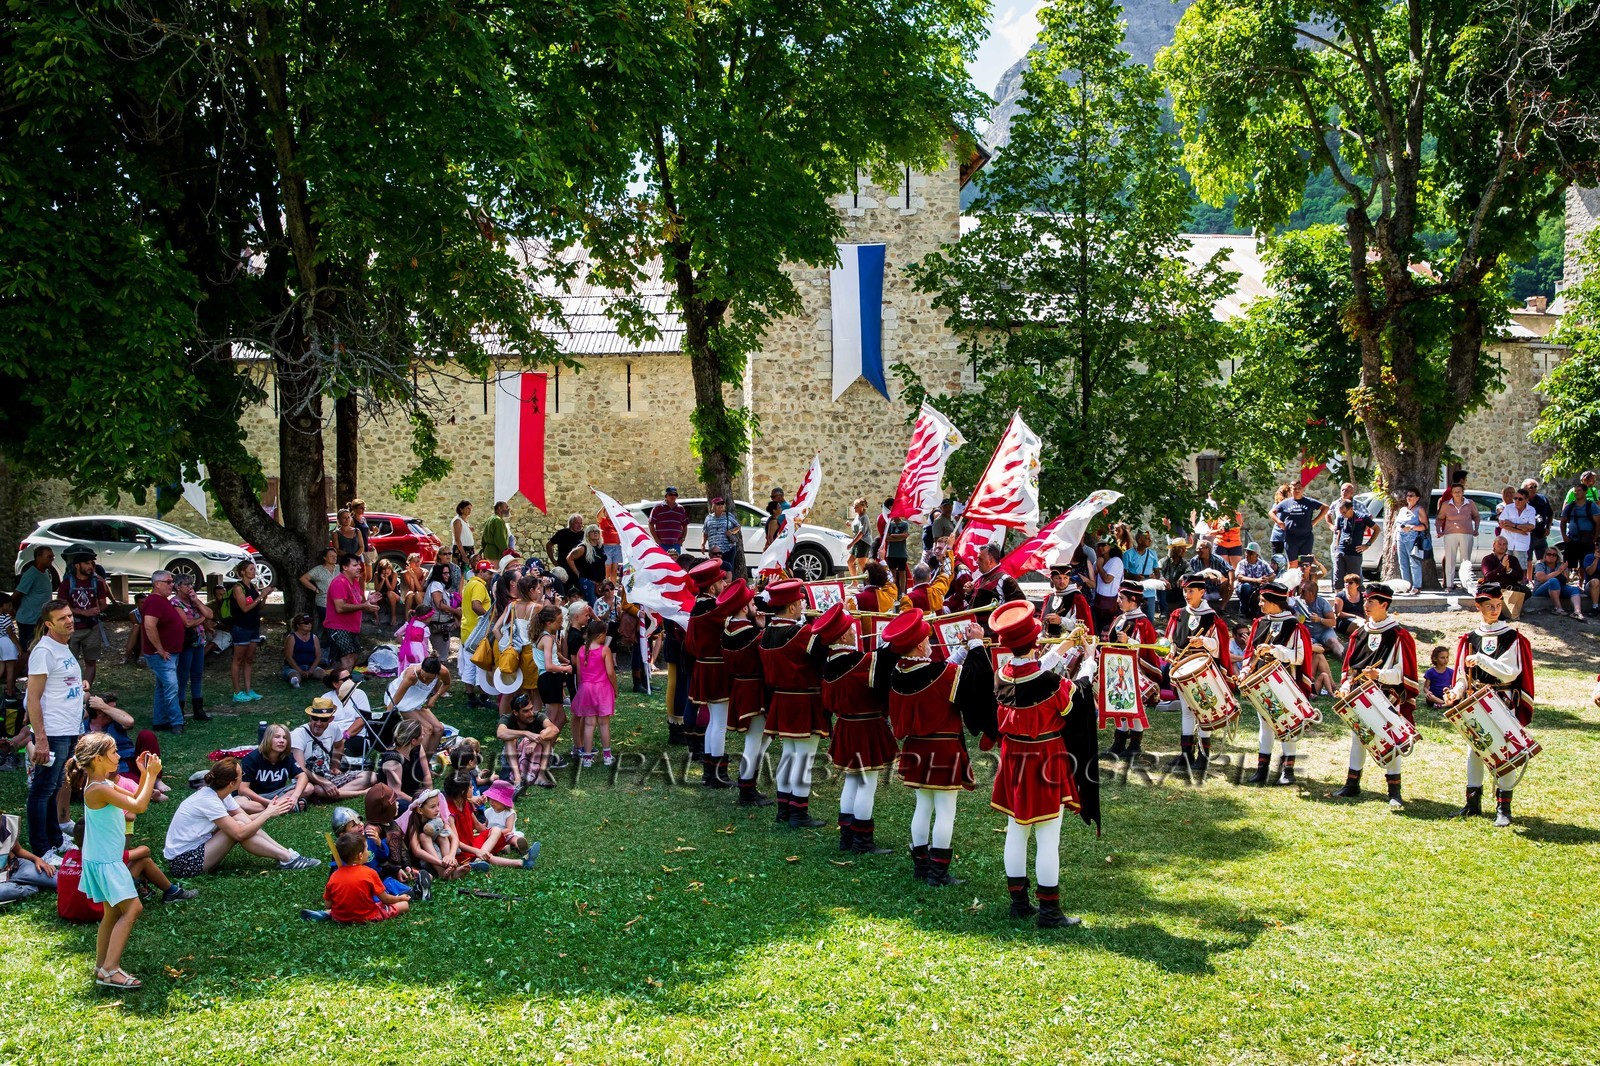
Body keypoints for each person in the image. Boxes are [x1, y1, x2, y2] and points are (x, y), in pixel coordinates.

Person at [985, 600, 1099, 928]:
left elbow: (1032, 671)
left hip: (1012, 760)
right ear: (1035, 642)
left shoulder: (1001, 676)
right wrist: (1088, 661)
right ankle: (1049, 911)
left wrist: (1064, 645)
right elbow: (1076, 694)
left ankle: (1019, 903)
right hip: (1045, 761)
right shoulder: (1049, 684)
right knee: (1048, 837)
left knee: (1016, 831)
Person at [880, 606, 989, 887]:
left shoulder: (897, 672)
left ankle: (921, 866)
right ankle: (938, 873)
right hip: (943, 750)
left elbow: (937, 672)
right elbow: (975, 678)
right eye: (927, 639)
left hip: (916, 749)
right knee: (945, 810)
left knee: (923, 806)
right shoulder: (941, 673)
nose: (931, 642)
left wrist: (963, 651)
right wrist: (976, 644)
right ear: (919, 644)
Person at [69, 733, 160, 988]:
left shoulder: (103, 785)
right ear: (98, 759)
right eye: (114, 753)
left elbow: (135, 801)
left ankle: (101, 966)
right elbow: (139, 808)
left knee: (112, 912)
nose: (119, 756)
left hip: (102, 858)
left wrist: (143, 774)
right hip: (106, 861)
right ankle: (110, 969)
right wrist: (153, 775)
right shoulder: (97, 789)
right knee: (133, 908)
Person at [1447, 583, 1535, 826]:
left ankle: (1503, 809)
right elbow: (1463, 676)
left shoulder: (1512, 637)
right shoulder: (1469, 637)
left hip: (1502, 701)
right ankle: (1472, 804)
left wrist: (1482, 659)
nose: (1495, 610)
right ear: (1479, 607)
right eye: (1489, 606)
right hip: (1475, 702)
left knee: (1504, 752)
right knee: (1475, 750)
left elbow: (1510, 673)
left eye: (1498, 605)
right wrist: (1456, 692)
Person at [812, 604, 896, 855]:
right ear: (841, 637)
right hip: (865, 727)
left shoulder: (830, 663)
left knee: (851, 781)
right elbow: (882, 668)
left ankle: (847, 836)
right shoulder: (859, 661)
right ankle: (862, 841)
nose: (854, 632)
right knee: (866, 784)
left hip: (847, 726)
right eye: (849, 629)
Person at [1331, 583, 1418, 807]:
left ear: (1384, 605)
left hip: (1386, 697)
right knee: (1358, 738)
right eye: (1365, 600)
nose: (1365, 605)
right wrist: (1347, 684)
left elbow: (1403, 674)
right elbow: (1350, 666)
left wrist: (1379, 674)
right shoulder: (1360, 632)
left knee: (1391, 740)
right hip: (1360, 696)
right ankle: (1352, 783)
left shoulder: (1398, 635)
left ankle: (1394, 791)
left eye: (1371, 601)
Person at [163, 758, 319, 877]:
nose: (243, 777)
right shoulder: (209, 800)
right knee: (237, 829)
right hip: (183, 863)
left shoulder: (221, 793)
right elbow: (239, 834)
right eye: (241, 775)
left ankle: (288, 855)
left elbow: (245, 819)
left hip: (199, 848)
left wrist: (271, 811)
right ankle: (286, 857)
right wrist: (267, 813)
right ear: (232, 783)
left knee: (241, 821)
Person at [758, 580, 830, 828]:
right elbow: (824, 653)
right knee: (804, 758)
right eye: (800, 602)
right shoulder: (801, 633)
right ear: (791, 608)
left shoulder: (766, 632)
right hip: (803, 700)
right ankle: (799, 811)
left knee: (789, 754)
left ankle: (784, 808)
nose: (803, 606)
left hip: (781, 698)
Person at [25, 600, 82, 855]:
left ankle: (55, 839)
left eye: (69, 615)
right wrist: (41, 739)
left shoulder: (63, 646)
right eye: (62, 619)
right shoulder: (44, 651)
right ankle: (41, 848)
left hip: (68, 729)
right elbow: (33, 698)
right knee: (42, 790)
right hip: (53, 731)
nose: (69, 621)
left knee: (55, 787)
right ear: (49, 624)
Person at [1244, 582, 1313, 786]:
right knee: (1264, 724)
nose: (1260, 603)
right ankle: (1261, 769)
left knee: (1286, 725)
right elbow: (1251, 652)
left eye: (1263, 600)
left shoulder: (1295, 626)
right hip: (1262, 683)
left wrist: (1275, 650)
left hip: (1285, 683)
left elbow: (1300, 657)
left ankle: (1288, 770)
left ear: (1275, 603)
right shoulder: (1260, 623)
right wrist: (1247, 670)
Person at [1163, 575, 1232, 773]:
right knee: (1186, 710)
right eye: (1185, 591)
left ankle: (1203, 756)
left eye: (1191, 591)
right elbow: (1171, 642)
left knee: (1202, 711)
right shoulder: (1178, 614)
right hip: (1182, 670)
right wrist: (1170, 653)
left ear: (1202, 592)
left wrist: (1203, 642)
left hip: (1202, 671)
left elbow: (1219, 646)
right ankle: (1186, 755)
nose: (1187, 594)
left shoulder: (1212, 618)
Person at [1100, 581, 1163, 761]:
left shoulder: (1143, 623)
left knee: (1134, 707)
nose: (1118, 601)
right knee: (1119, 705)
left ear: (1133, 600)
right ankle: (1119, 742)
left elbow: (1147, 650)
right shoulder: (1119, 619)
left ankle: (1135, 743)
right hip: (1118, 671)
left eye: (1122, 598)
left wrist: (1130, 642)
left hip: (1136, 672)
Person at [682, 560, 734, 783]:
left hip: (704, 666)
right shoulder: (714, 608)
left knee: (714, 721)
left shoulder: (697, 605)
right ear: (712, 587)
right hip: (715, 667)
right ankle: (717, 773)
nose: (724, 583)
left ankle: (709, 771)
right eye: (722, 580)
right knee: (719, 722)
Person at [721, 583, 773, 807]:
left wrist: (759, 626)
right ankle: (746, 790)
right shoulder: (752, 634)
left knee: (760, 740)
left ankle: (749, 786)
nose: (756, 606)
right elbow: (766, 656)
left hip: (740, 687)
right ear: (743, 608)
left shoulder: (727, 629)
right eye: (752, 603)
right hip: (754, 689)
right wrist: (762, 629)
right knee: (754, 741)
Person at [313, 833, 411, 923]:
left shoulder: (334, 876)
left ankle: (327, 913)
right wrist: (400, 898)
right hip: (368, 916)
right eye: (366, 849)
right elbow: (385, 899)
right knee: (404, 905)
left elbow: (328, 905)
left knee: (333, 910)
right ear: (360, 856)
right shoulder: (369, 873)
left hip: (340, 918)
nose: (368, 852)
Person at [292, 700, 373, 802]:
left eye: (324, 719)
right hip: (308, 781)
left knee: (371, 776)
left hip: (328, 776)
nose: (318, 723)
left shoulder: (334, 727)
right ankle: (360, 793)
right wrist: (323, 782)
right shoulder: (298, 734)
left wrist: (335, 766)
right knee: (315, 789)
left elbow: (339, 746)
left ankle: (333, 794)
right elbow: (300, 769)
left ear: (331, 719)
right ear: (310, 717)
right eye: (315, 718)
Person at [60, 545, 110, 688]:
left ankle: (85, 690)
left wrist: (97, 609)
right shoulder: (67, 583)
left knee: (91, 661)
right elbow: (61, 606)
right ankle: (71, 689)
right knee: (69, 661)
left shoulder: (96, 582)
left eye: (92, 563)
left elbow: (103, 604)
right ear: (77, 565)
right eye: (87, 563)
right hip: (72, 628)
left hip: (92, 627)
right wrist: (84, 612)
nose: (91, 566)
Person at [570, 619, 618, 768]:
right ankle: (607, 756)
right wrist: (615, 688)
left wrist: (581, 689)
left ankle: (587, 757)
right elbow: (610, 672)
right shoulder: (605, 650)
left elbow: (578, 674)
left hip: (586, 688)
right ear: (601, 635)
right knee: (604, 723)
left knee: (589, 724)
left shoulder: (581, 650)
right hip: (602, 689)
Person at [385, 656, 450, 757]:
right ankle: (416, 763)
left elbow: (446, 684)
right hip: (403, 702)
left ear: (437, 674)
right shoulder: (412, 675)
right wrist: (387, 717)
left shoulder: (443, 671)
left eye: (429, 678)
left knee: (439, 729)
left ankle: (426, 762)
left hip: (417, 702)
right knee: (427, 729)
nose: (424, 679)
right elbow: (395, 700)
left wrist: (434, 697)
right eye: (423, 675)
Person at [169, 572, 212, 722]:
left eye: (191, 584)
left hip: (199, 642)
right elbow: (186, 624)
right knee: (182, 676)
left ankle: (198, 709)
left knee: (197, 675)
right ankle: (179, 709)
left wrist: (197, 602)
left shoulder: (193, 602)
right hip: (186, 644)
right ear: (178, 587)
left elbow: (210, 614)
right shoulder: (175, 603)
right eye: (187, 584)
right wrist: (202, 618)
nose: (190, 587)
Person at [237, 723, 308, 813]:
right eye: (277, 737)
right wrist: (267, 802)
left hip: (277, 794)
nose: (281, 741)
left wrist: (295, 797)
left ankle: (276, 808)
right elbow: (242, 789)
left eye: (285, 738)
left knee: (308, 787)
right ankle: (283, 807)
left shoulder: (287, 756)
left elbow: (303, 776)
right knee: (239, 803)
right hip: (254, 796)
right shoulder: (251, 758)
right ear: (268, 739)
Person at [496, 692, 560, 791]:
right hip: (513, 758)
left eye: (531, 709)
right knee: (509, 739)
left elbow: (554, 729)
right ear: (515, 712)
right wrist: (525, 733)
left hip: (537, 756)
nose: (531, 713)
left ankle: (541, 776)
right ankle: (517, 777)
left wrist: (536, 741)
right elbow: (500, 733)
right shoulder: (508, 718)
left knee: (545, 735)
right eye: (525, 711)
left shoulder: (538, 716)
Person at [1290, 574, 1341, 696]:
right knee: (1317, 651)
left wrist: (1320, 620)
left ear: (1312, 593)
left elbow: (1333, 622)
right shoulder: (1297, 602)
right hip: (1309, 635)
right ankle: (1332, 686)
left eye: (1303, 591)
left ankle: (1346, 662)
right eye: (1300, 590)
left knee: (1334, 642)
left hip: (1323, 630)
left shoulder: (1322, 602)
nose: (1300, 593)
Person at [228, 561, 271, 703]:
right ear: (242, 572)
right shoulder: (238, 588)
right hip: (241, 627)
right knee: (238, 659)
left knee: (249, 659)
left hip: (254, 627)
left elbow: (259, 606)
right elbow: (245, 608)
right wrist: (260, 595)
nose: (254, 571)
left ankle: (248, 689)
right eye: (251, 569)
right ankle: (237, 691)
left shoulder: (252, 586)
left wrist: (264, 595)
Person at [325, 553, 375, 673]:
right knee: (348, 658)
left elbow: (358, 602)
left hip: (352, 628)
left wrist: (369, 601)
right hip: (339, 627)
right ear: (345, 567)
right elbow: (340, 607)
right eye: (355, 565)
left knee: (354, 657)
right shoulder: (339, 583)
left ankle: (335, 679)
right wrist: (364, 606)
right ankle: (343, 685)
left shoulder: (355, 582)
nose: (359, 567)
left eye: (359, 564)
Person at [376, 719, 432, 806]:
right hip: (395, 801)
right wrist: (420, 803)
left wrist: (431, 796)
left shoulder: (417, 747)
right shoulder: (393, 761)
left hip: (414, 796)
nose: (424, 735)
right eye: (422, 733)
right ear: (413, 741)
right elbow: (396, 793)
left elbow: (426, 774)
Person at [1436, 483, 1481, 591]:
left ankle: (1465, 584)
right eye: (1455, 492)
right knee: (1450, 559)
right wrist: (1439, 530)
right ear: (1451, 493)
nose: (1457, 494)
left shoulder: (1469, 503)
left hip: (1467, 533)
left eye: (1459, 491)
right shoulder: (1446, 504)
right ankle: (1449, 585)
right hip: (1450, 534)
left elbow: (1476, 516)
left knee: (1465, 561)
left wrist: (1476, 529)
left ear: (1463, 492)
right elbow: (1440, 518)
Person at [1271, 483, 1327, 564]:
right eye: (1294, 489)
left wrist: (1315, 521)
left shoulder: (1308, 501)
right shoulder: (1285, 503)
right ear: (1291, 490)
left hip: (1305, 537)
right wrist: (1280, 523)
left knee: (1304, 563)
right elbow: (1272, 512)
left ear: (1302, 489)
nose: (1297, 490)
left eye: (1299, 488)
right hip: (1289, 537)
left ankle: (1303, 576)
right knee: (1290, 563)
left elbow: (1325, 507)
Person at [15, 545, 58, 650]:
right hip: (29, 621)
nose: (52, 559)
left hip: (40, 620)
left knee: (40, 649)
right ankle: (18, 667)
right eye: (49, 556)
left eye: (53, 556)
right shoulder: (31, 574)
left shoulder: (46, 572)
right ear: (39, 557)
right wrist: (13, 610)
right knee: (27, 651)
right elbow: (16, 595)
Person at [1530, 548, 1587, 619]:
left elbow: (1567, 580)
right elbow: (1542, 579)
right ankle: (1558, 608)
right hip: (1540, 590)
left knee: (1574, 589)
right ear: (1545, 556)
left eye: (1554, 555)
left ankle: (1577, 612)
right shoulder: (1540, 565)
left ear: (1557, 557)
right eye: (1549, 554)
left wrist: (1565, 574)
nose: (1551, 556)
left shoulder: (1560, 565)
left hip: (1557, 588)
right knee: (1553, 581)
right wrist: (1559, 571)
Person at [1331, 499, 1377, 587]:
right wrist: (1337, 548)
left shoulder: (1362, 517)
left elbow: (1377, 529)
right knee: (1338, 580)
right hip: (1341, 551)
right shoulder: (1341, 518)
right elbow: (1339, 532)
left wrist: (1367, 545)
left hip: (1354, 553)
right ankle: (1338, 597)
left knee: (1355, 580)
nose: (1343, 515)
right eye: (1341, 513)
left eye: (1344, 512)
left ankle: (1358, 598)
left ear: (1351, 509)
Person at [1393, 487, 1431, 593]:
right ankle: (1405, 585)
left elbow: (1425, 526)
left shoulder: (1419, 509)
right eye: (1407, 495)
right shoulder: (1402, 510)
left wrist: (1411, 527)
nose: (1408, 498)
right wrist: (1394, 541)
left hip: (1413, 539)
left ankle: (1416, 586)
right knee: (1402, 562)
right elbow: (1396, 526)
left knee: (1414, 562)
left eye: (1411, 496)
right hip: (1400, 538)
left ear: (1417, 498)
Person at [1560, 471, 1599, 570]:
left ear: (1584, 492)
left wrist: (1595, 536)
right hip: (1572, 537)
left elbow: (1598, 521)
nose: (1576, 493)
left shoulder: (1593, 495)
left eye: (1579, 491)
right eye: (1576, 491)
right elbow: (1563, 518)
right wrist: (1564, 535)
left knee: (1585, 563)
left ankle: (1583, 582)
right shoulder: (1571, 504)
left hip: (1587, 538)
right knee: (1569, 562)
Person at [701, 497, 744, 578]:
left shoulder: (729, 516)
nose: (720, 505)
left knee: (728, 569)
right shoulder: (708, 518)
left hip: (728, 548)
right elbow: (705, 532)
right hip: (714, 550)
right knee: (715, 569)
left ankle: (728, 586)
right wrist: (703, 544)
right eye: (718, 504)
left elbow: (737, 527)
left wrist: (731, 532)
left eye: (722, 503)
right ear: (713, 506)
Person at [299, 547, 341, 630]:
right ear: (325, 558)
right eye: (331, 556)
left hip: (339, 602)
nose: (334, 558)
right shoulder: (318, 570)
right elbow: (303, 579)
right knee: (330, 626)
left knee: (340, 625)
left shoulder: (340, 568)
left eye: (335, 556)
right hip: (324, 602)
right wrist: (315, 589)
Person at [566, 524, 609, 605]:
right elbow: (569, 558)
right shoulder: (583, 548)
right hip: (588, 581)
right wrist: (578, 573)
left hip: (600, 582)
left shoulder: (600, 547)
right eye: (592, 531)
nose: (595, 533)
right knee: (592, 605)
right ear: (587, 534)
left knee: (601, 605)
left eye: (597, 531)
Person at [1122, 529, 1161, 618]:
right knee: (1135, 618)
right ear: (1139, 540)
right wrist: (1134, 577)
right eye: (1147, 538)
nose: (1150, 540)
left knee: (1149, 619)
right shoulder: (1128, 554)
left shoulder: (1153, 554)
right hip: (1134, 592)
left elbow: (1157, 572)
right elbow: (1123, 574)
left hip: (1150, 592)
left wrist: (1155, 576)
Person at [281, 613, 327, 689]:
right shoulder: (291, 637)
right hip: (293, 667)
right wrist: (299, 670)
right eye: (306, 623)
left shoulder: (314, 637)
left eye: (310, 622)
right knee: (295, 675)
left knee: (321, 673)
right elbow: (288, 657)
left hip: (310, 666)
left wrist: (312, 669)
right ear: (298, 625)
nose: (309, 624)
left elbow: (318, 655)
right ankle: (295, 682)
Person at [1234, 543, 1277, 620]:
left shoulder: (1263, 563)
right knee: (1247, 587)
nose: (1248, 555)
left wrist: (1266, 579)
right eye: (1247, 552)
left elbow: (1273, 575)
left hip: (1259, 587)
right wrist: (1256, 580)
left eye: (1251, 553)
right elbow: (1240, 577)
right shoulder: (1242, 563)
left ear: (1257, 555)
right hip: (1244, 587)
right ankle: (1243, 610)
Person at [1498, 488, 1538, 567]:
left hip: (1521, 544)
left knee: (1520, 568)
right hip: (1507, 542)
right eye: (1515, 498)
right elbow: (1502, 525)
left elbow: (1531, 526)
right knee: (1505, 567)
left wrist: (1513, 525)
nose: (1517, 501)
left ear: (1526, 500)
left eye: (1520, 499)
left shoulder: (1531, 510)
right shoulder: (1508, 508)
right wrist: (1520, 531)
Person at [1091, 541, 1124, 633]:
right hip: (1098, 601)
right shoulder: (1098, 561)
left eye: (1104, 545)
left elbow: (1107, 579)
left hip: (1110, 602)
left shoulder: (1116, 561)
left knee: (1108, 630)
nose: (1101, 547)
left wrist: (1099, 566)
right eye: (1099, 545)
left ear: (1111, 546)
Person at [882, 503, 911, 594]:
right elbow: (886, 538)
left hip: (901, 553)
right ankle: (894, 591)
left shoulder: (904, 524)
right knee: (892, 572)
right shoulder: (889, 525)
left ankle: (902, 592)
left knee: (902, 573)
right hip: (891, 553)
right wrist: (900, 537)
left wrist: (893, 535)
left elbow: (905, 536)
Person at [647, 490, 688, 555]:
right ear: (666, 496)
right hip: (662, 544)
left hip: (676, 545)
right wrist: (656, 539)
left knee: (675, 563)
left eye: (675, 495)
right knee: (662, 563)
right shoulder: (658, 507)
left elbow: (685, 525)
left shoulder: (680, 509)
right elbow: (651, 524)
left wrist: (682, 539)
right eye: (671, 494)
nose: (673, 496)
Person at [846, 498, 871, 578]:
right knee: (850, 561)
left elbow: (861, 533)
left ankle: (868, 583)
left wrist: (851, 543)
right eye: (854, 506)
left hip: (864, 542)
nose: (854, 508)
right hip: (857, 542)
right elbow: (856, 526)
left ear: (862, 507)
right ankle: (854, 582)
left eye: (856, 507)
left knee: (863, 565)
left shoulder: (864, 517)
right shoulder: (857, 516)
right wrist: (850, 524)